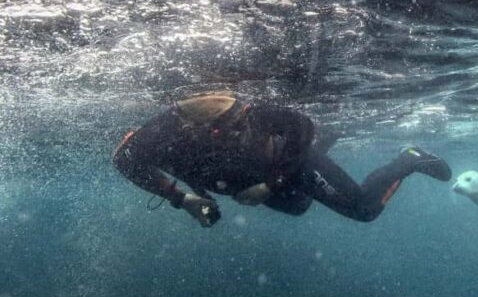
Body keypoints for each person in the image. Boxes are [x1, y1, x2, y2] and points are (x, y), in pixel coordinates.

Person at [113, 90, 452, 226]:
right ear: (192, 128)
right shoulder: (158, 135)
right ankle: (328, 143)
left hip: (289, 165)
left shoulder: (247, 112)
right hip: (249, 182)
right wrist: (182, 199)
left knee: (363, 210)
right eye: (226, 131)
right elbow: (124, 160)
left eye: (240, 126)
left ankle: (409, 159)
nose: (237, 131)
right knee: (298, 207)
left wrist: (271, 182)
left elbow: (300, 126)